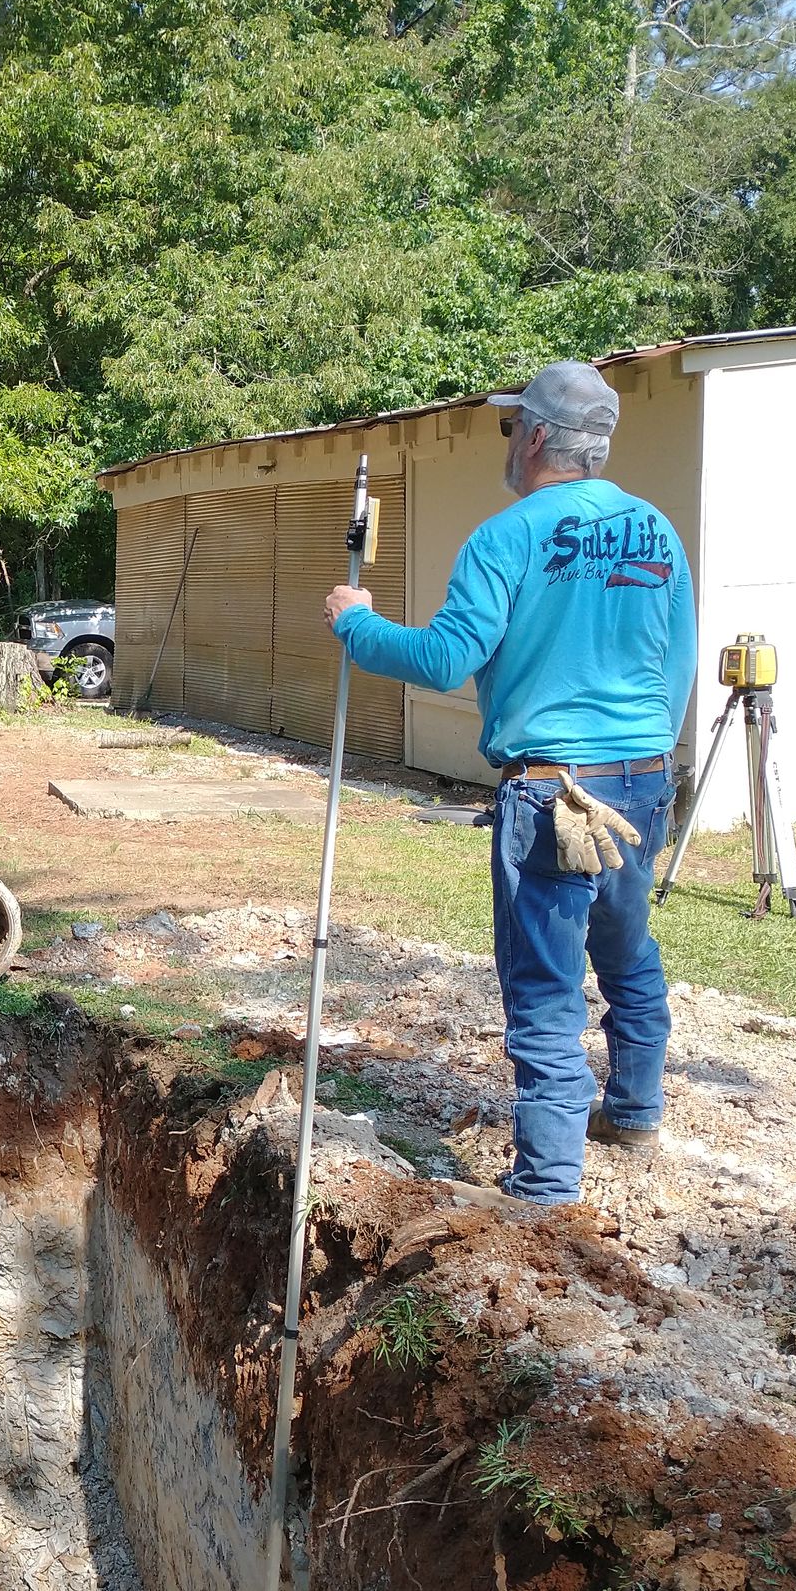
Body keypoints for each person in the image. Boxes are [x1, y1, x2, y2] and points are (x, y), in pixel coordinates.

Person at [324, 360, 697, 1206]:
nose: (509, 439)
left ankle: (546, 1188)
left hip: (554, 794)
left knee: (544, 985)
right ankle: (634, 1110)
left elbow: (445, 658)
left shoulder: (507, 537)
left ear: (534, 437)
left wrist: (358, 624)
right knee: (628, 949)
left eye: (510, 425)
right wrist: (644, 755)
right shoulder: (656, 532)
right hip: (641, 781)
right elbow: (677, 664)